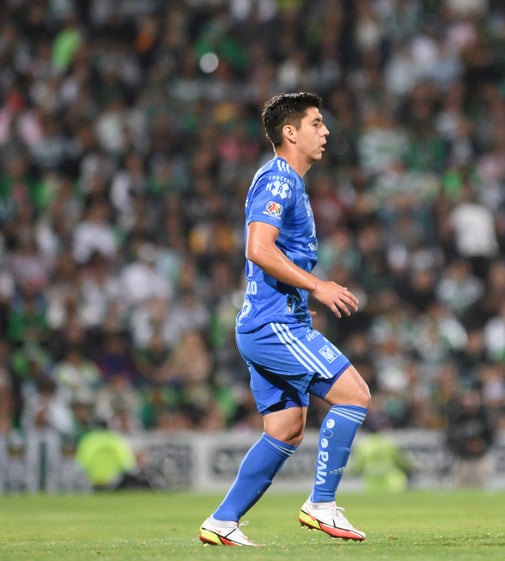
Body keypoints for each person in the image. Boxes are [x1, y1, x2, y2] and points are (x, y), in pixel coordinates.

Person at [199, 92, 370, 546]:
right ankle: (322, 505)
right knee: (354, 394)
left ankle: (222, 520)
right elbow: (258, 249)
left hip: (274, 320)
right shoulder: (278, 180)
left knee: (286, 429)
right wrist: (318, 285)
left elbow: (269, 260)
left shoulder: (288, 181)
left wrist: (296, 297)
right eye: (316, 123)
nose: (326, 131)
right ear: (290, 132)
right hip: (273, 327)